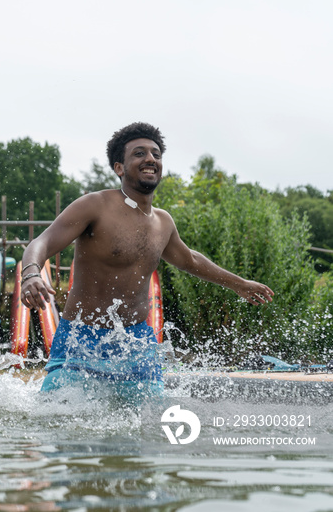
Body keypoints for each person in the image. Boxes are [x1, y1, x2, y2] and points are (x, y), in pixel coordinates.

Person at [21, 122, 273, 398]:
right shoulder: (95, 205)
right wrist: (31, 273)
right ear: (119, 167)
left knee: (147, 426)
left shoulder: (163, 222)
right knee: (59, 422)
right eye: (139, 153)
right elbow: (42, 242)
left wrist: (239, 284)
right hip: (81, 339)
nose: (150, 159)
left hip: (135, 342)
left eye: (156, 154)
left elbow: (190, 260)